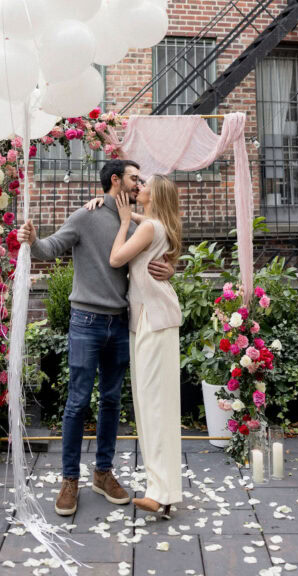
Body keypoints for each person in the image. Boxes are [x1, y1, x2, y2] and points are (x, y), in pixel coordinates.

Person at [18, 159, 174, 518]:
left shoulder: (135, 222)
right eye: (134, 178)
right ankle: (69, 479)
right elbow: (50, 249)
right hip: (86, 321)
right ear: (116, 180)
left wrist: (171, 268)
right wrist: (32, 239)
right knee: (77, 402)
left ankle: (103, 473)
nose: (139, 185)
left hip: (120, 322)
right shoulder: (86, 215)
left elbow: (159, 250)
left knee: (111, 401)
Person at [101, 175, 183, 518]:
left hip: (154, 319)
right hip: (151, 318)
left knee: (154, 406)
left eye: (145, 184)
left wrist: (123, 223)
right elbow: (144, 220)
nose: (139, 186)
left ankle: (160, 491)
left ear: (155, 195)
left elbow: (116, 259)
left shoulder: (149, 228)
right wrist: (119, 210)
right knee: (154, 405)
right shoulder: (154, 224)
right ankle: (162, 491)